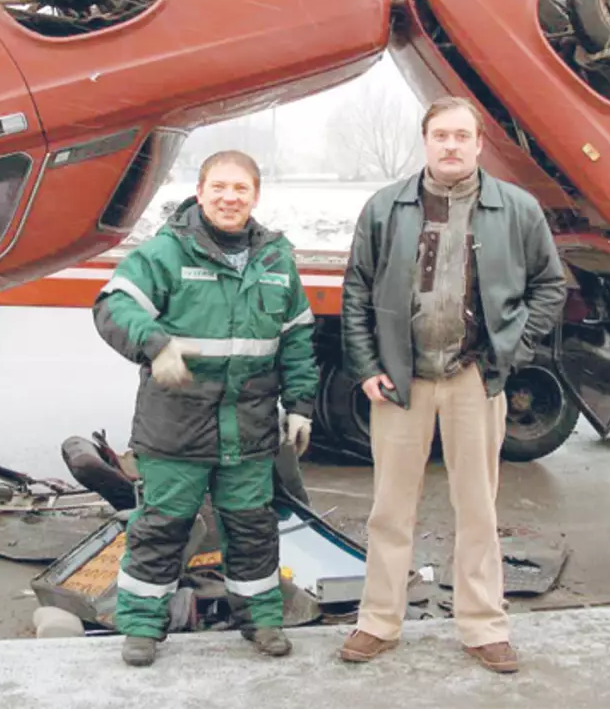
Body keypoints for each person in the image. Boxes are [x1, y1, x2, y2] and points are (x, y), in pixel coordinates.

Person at [337, 96, 566, 674]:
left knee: (478, 510)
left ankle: (484, 626)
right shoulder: (386, 207)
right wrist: (367, 366)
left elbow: (550, 285)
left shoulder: (514, 209)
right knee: (390, 509)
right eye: (441, 135)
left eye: (462, 136)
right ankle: (379, 621)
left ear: (478, 143)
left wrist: (509, 350)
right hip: (402, 379)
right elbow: (357, 290)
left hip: (473, 378)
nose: (451, 146)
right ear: (426, 140)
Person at [92, 149, 319, 668]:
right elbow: (112, 305)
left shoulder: (276, 261)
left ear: (255, 196)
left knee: (252, 529)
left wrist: (301, 405)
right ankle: (142, 628)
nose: (228, 197)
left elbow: (299, 338)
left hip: (249, 429)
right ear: (200, 192)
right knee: (161, 528)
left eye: (240, 189)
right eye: (218, 187)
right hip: (176, 428)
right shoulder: (167, 253)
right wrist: (155, 343)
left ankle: (261, 620)